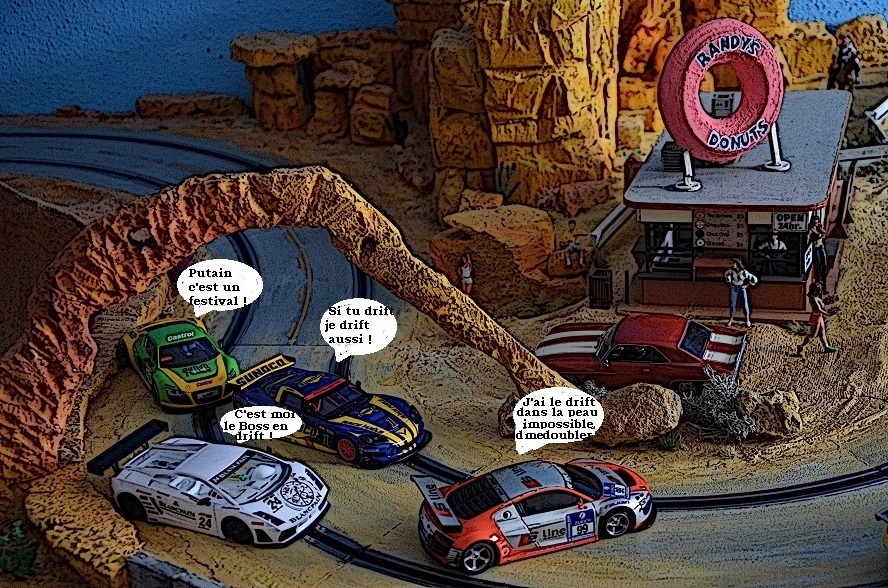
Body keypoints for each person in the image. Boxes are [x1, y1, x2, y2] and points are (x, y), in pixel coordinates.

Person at [796, 282, 838, 357]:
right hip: (816, 317)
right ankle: (801, 347)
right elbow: (818, 309)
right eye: (819, 290)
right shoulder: (813, 299)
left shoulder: (815, 297)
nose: (820, 291)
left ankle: (826, 347)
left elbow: (821, 305)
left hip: (819, 317)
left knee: (822, 332)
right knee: (813, 334)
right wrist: (827, 314)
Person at [724, 258, 758, 328]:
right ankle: (730, 320)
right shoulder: (730, 271)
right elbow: (726, 276)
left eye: (733, 263)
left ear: (737, 263)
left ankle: (747, 320)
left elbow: (754, 279)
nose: (732, 265)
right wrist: (730, 283)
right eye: (731, 264)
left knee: (745, 303)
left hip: (741, 288)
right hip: (734, 288)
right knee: (732, 304)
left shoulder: (744, 272)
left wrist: (747, 285)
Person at [807, 217, 828, 293]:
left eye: (816, 222)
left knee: (824, 266)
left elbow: (824, 233)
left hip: (821, 247)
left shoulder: (818, 229)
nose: (815, 224)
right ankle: (820, 285)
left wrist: (820, 227)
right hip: (816, 249)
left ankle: (824, 285)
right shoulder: (810, 230)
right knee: (818, 267)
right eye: (814, 222)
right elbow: (808, 239)